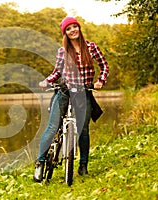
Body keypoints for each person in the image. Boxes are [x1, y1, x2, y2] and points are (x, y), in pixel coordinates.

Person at [33, 16, 109, 182]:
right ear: (65, 33)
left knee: (83, 130)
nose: (73, 30)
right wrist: (47, 81)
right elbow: (57, 72)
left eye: (75, 27)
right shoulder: (62, 51)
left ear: (79, 28)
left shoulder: (91, 47)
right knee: (52, 127)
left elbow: (104, 66)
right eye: (69, 29)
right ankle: (40, 163)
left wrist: (100, 81)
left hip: (84, 93)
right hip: (65, 92)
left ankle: (83, 166)